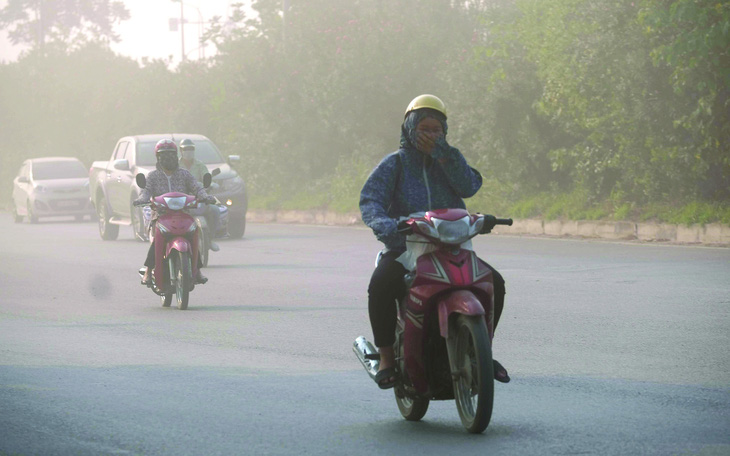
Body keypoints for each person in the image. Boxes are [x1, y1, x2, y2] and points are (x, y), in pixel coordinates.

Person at [359, 94, 509, 389]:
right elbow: (370, 200)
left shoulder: (449, 160)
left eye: (436, 130)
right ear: (409, 129)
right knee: (381, 283)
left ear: (445, 132)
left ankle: (482, 350)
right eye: (424, 129)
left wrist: (445, 155)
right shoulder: (395, 164)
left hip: (452, 246)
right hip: (407, 248)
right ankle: (388, 359)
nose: (431, 135)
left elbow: (469, 186)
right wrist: (387, 227)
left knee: (496, 283)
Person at [137, 139, 215, 285]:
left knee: (193, 234)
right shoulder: (153, 176)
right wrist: (141, 199)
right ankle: (148, 270)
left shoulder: (184, 174)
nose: (168, 158)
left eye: (171, 154)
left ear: (176, 155)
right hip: (160, 216)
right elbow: (145, 191)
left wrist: (205, 196)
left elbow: (197, 187)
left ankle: (197, 270)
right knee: (156, 241)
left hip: (183, 215)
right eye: (163, 155)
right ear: (158, 157)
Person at [179, 138, 221, 252]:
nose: (189, 151)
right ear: (181, 150)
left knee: (215, 210)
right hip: (181, 200)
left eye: (191, 149)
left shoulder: (200, 165)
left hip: (199, 198)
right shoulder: (176, 165)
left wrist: (210, 184)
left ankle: (210, 239)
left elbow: (206, 177)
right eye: (186, 149)